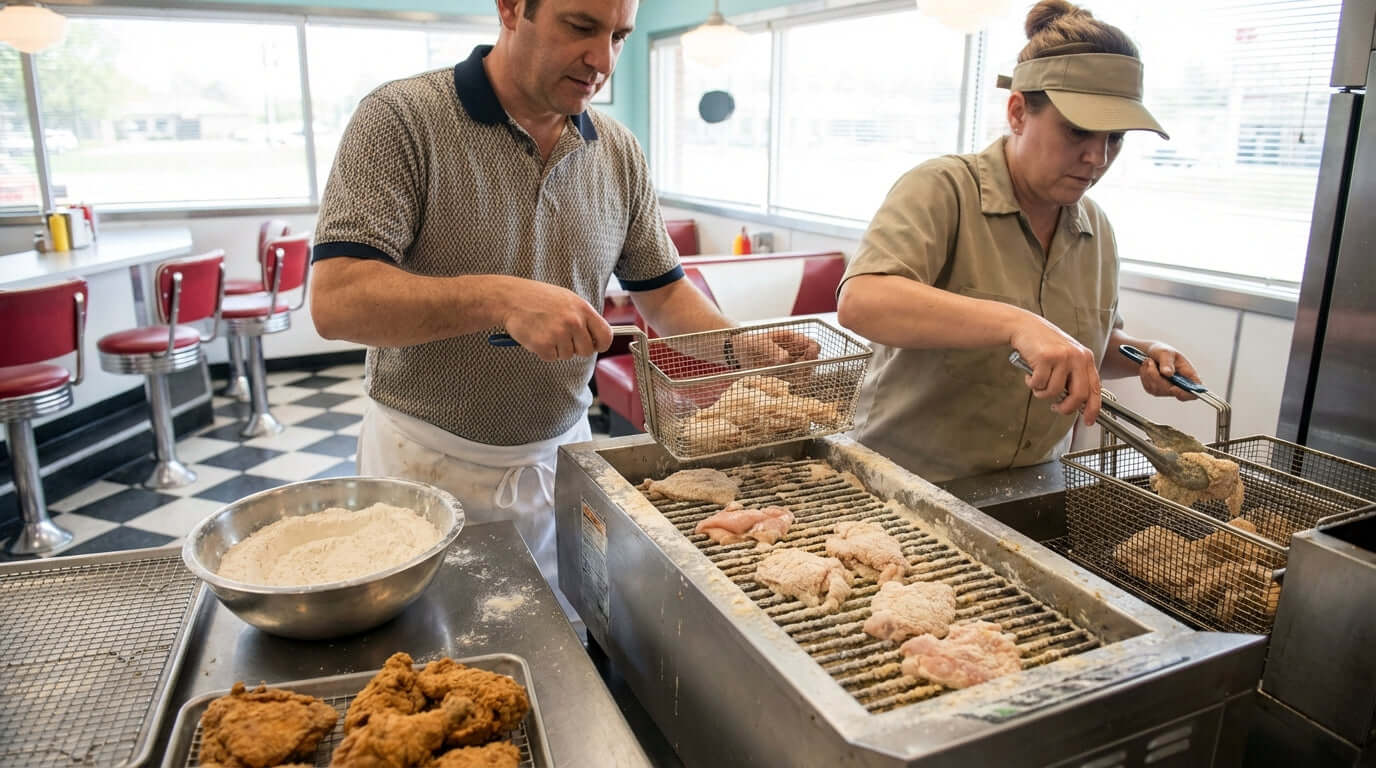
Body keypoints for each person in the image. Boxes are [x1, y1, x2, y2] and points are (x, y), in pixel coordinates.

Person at [308, 0, 801, 601]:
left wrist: (734, 341)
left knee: (565, 647)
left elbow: (665, 293)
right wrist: (498, 298)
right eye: (581, 27)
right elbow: (337, 299)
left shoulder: (617, 151)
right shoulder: (402, 119)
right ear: (512, 8)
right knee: (437, 662)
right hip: (425, 461)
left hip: (561, 455)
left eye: (620, 36)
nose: (602, 60)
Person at [836, 0, 1203, 483]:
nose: (1097, 157)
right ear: (1017, 112)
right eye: (1078, 131)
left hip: (1029, 484)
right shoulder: (945, 189)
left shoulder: (1095, 228)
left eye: (1115, 138)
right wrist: (1015, 323)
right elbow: (863, 302)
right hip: (908, 480)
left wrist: (1142, 355)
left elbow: (1083, 346)